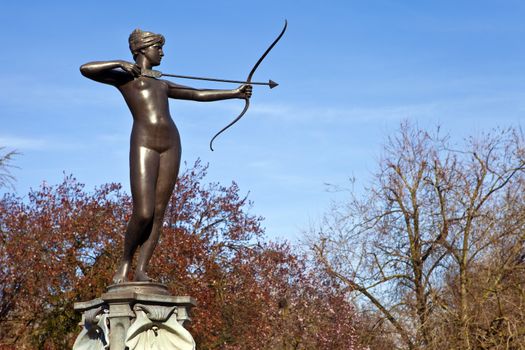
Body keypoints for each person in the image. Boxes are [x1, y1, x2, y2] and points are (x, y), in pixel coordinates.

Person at [80, 29, 252, 284]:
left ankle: (141, 269)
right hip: (144, 143)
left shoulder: (162, 83)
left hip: (171, 142)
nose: (162, 53)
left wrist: (234, 93)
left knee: (159, 212)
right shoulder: (125, 79)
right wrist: (119, 63)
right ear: (142, 50)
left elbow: (196, 94)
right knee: (144, 211)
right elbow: (86, 69)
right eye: (157, 48)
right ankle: (125, 263)